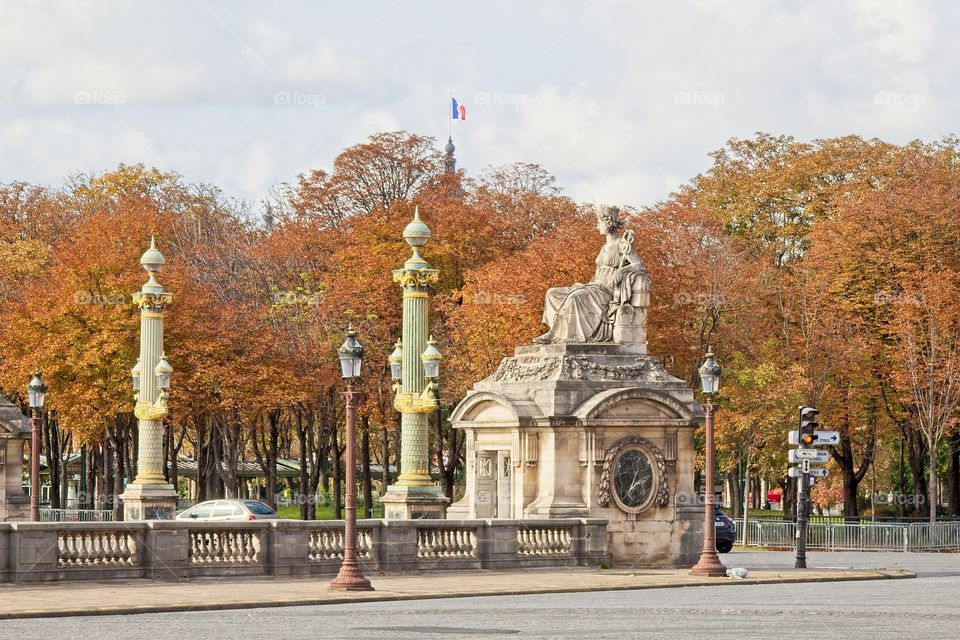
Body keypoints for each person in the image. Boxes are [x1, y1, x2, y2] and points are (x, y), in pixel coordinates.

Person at [535, 206, 647, 343]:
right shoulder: (604, 247)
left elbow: (640, 265)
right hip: (594, 285)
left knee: (575, 297)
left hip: (607, 290)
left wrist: (621, 270)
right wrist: (586, 285)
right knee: (552, 293)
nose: (597, 226)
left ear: (608, 224)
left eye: (599, 223)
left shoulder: (622, 244)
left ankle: (564, 336)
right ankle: (557, 331)